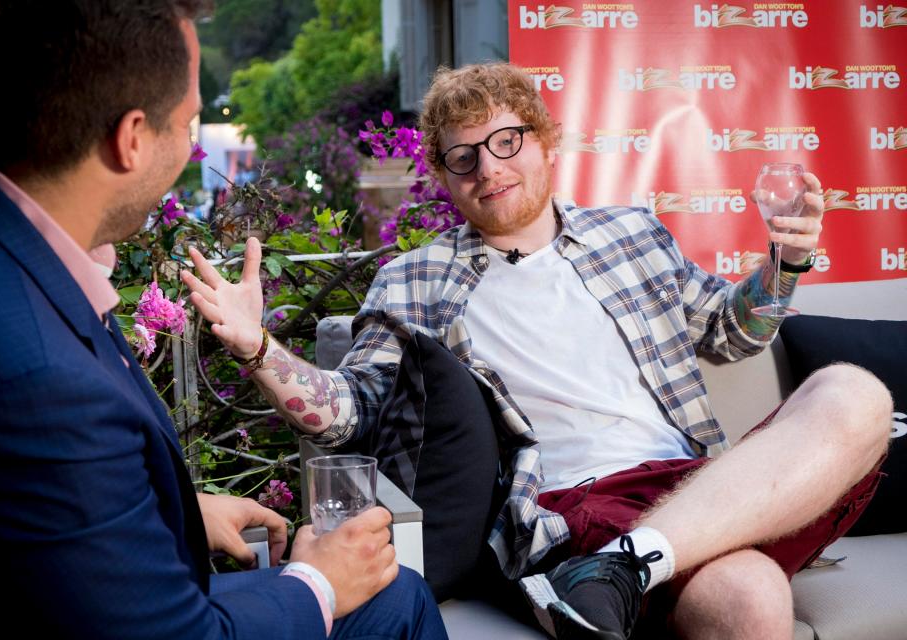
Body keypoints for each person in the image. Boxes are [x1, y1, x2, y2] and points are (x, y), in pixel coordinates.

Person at [183, 63, 891, 640]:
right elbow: (348, 411)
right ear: (444, 176)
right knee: (749, 594)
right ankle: (612, 568)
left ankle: (627, 570)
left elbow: (731, 332)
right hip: (571, 508)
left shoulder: (632, 236)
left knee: (857, 394)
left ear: (547, 143)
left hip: (696, 485)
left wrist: (786, 261)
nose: (487, 169)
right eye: (463, 157)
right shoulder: (415, 279)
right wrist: (258, 347)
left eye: (506, 142)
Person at [0, 2, 447, 638]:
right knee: (393, 596)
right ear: (130, 139)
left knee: (397, 595)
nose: (191, 144)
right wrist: (319, 580)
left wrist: (176, 511)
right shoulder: (37, 378)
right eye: (189, 124)